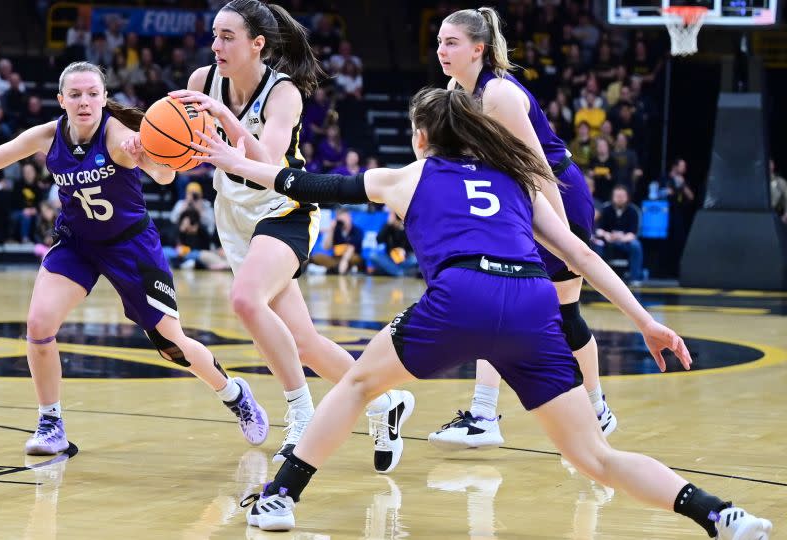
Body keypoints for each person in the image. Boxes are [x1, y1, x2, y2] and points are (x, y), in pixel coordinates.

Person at [192, 87, 773, 540]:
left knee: (361, 383)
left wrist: (231, 160)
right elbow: (580, 254)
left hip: (462, 295)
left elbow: (306, 182)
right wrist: (645, 319)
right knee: (594, 456)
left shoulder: (410, 175)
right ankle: (717, 514)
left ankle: (281, 497)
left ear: (421, 136)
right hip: (532, 301)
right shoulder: (518, 178)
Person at [0, 61, 269, 455]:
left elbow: (167, 177)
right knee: (38, 324)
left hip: (130, 245)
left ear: (104, 98)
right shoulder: (47, 135)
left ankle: (234, 393)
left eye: (92, 94)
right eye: (75, 94)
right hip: (77, 242)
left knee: (172, 345)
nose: (84, 102)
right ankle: (51, 423)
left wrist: (146, 156)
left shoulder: (118, 134)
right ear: (61, 100)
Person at [169, 0, 412, 472]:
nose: (216, 45)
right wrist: (150, 150)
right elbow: (176, 154)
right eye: (214, 35)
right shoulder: (201, 80)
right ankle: (387, 404)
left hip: (285, 206)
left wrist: (225, 116)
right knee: (302, 342)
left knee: (244, 300)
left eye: (227, 37)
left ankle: (300, 412)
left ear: (257, 44)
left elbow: (270, 166)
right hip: (233, 215)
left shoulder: (284, 93)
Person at [430, 8, 615, 450]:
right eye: (439, 41)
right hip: (516, 197)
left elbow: (537, 172)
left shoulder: (499, 96)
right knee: (499, 298)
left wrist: (563, 239)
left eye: (451, 42)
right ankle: (485, 414)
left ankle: (595, 409)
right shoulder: (458, 89)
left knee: (556, 310)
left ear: (479, 49)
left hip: (555, 196)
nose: (441, 50)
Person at [594, 185, 644, 286]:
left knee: (636, 246)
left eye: (622, 196)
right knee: (597, 245)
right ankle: (597, 278)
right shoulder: (606, 208)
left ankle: (635, 278)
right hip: (608, 240)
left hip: (625, 241)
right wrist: (606, 235)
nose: (620, 199)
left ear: (627, 197)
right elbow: (598, 229)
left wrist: (621, 238)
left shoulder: (633, 211)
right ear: (613, 197)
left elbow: (633, 233)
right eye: (617, 196)